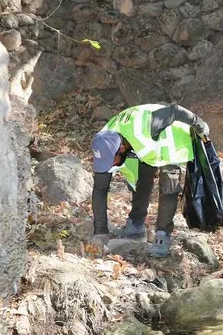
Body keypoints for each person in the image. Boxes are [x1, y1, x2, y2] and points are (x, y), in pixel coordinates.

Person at [89, 103, 210, 258]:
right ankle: (136, 226)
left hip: (169, 138)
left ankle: (163, 235)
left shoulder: (148, 126)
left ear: (121, 149)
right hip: (144, 143)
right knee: (141, 179)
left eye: (111, 162)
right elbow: (100, 189)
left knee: (169, 185)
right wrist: (100, 232)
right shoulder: (103, 141)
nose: (109, 166)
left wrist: (201, 126)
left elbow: (175, 110)